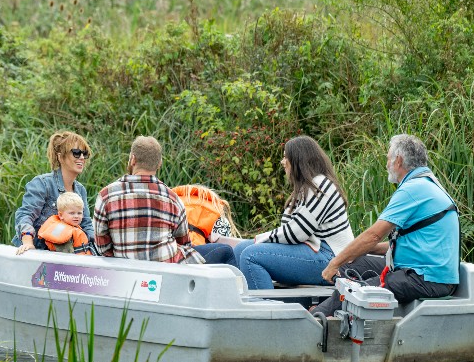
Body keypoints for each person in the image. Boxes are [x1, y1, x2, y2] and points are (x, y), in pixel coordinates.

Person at [311, 134, 459, 316]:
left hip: (427, 279)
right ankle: (330, 311)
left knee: (357, 288)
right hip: (422, 272)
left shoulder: (412, 189)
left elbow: (373, 235)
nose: (386, 164)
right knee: (352, 264)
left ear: (398, 160)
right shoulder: (425, 183)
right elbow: (402, 243)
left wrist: (334, 262)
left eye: (388, 158)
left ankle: (314, 319)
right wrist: (358, 252)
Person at [233, 135, 355, 289]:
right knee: (240, 249)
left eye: (286, 157)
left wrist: (260, 238)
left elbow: (297, 232)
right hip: (314, 249)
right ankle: (258, 299)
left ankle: (266, 309)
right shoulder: (304, 189)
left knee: (251, 255)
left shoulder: (322, 185)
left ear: (298, 160)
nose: (283, 162)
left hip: (332, 258)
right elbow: (288, 231)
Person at [93, 136, 236, 265]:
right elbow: (184, 243)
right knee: (226, 251)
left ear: (133, 159)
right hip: (166, 267)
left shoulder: (106, 195)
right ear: (159, 163)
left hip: (125, 267)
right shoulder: (173, 198)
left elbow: (102, 247)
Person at [13, 131, 96, 255]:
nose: (82, 158)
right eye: (76, 153)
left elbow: (86, 224)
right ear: (60, 157)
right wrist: (28, 243)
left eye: (85, 154)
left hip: (67, 256)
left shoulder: (81, 190)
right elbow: (25, 215)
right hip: (39, 253)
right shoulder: (42, 183)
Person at [171, 184, 242, 246]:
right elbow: (223, 241)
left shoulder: (171, 200)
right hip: (196, 251)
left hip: (171, 247)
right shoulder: (215, 209)